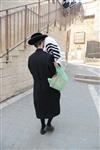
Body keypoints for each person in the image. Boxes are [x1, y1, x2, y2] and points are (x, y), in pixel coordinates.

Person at [28, 33, 61, 135]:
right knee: (52, 105)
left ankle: (42, 127)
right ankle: (49, 124)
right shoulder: (49, 57)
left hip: (38, 88)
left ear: (35, 45)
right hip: (50, 87)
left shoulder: (30, 58)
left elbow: (32, 71)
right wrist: (57, 66)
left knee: (40, 107)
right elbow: (54, 73)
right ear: (42, 43)